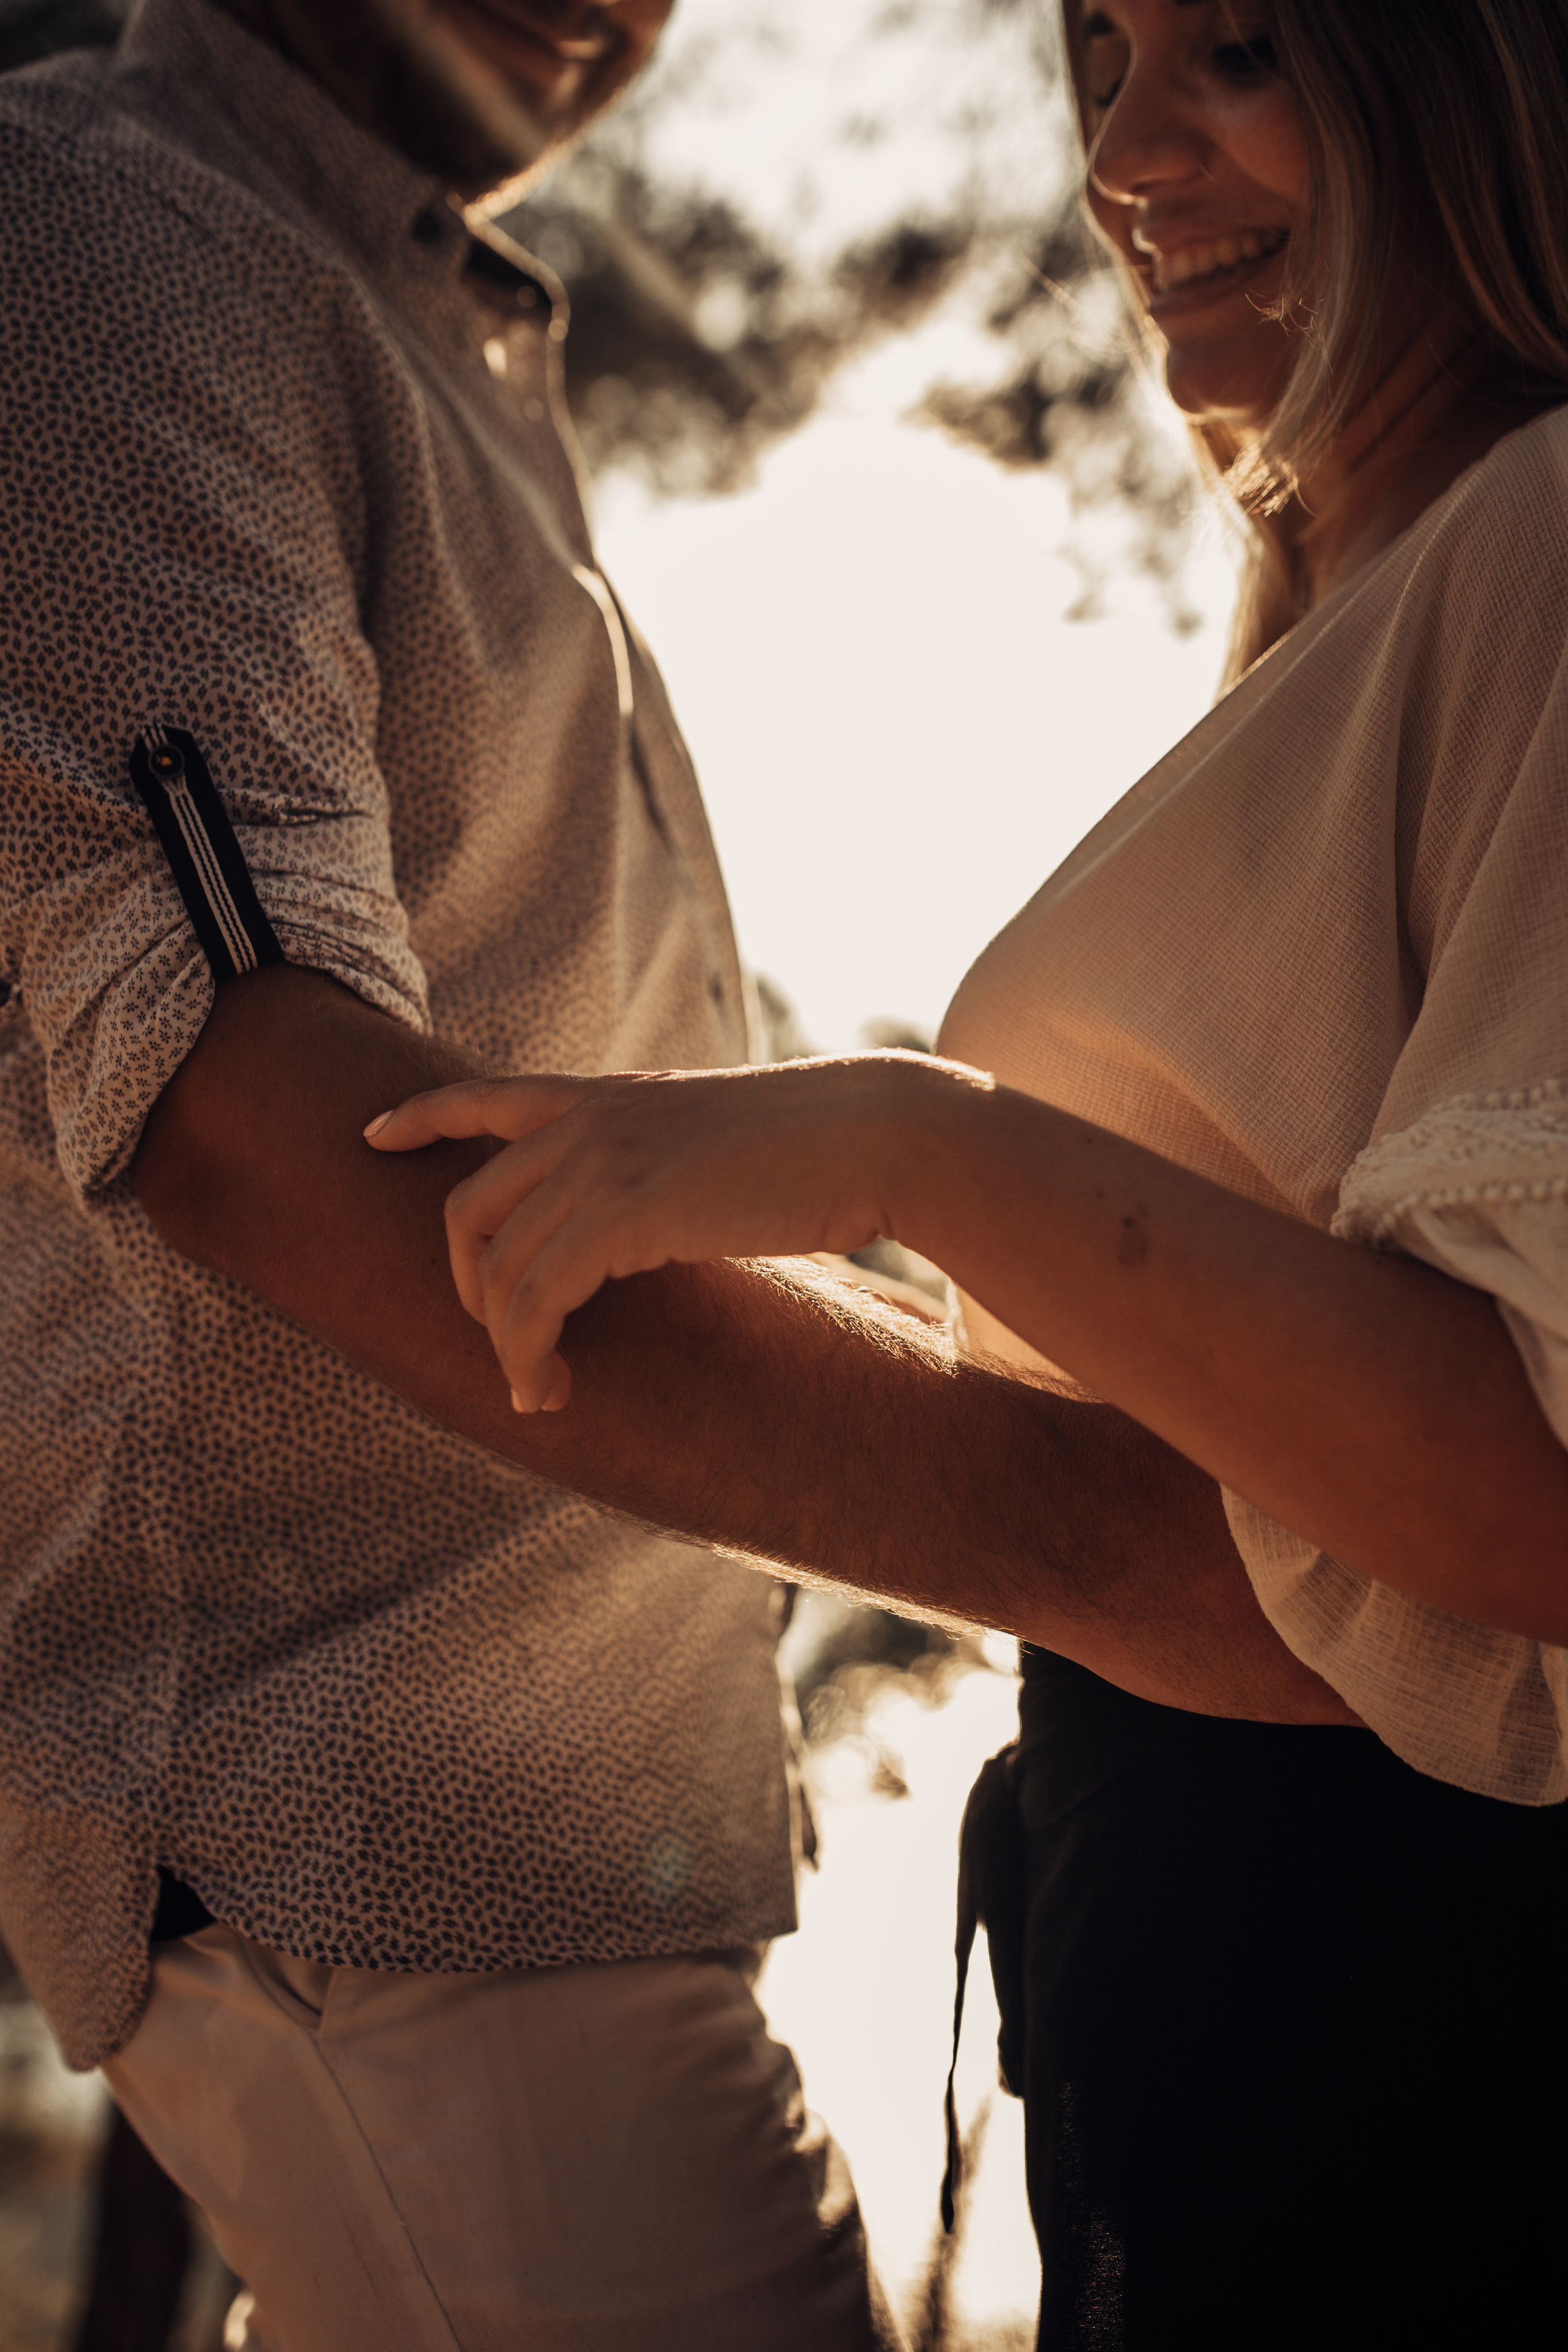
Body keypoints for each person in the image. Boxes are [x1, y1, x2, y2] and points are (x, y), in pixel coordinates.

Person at [366, 1, 1568, 2342]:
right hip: (1247, 2013)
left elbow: (1532, 1499)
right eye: (1098, 60)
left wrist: (903, 1137)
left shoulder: (1539, 532)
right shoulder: (1348, 586)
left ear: (1472, 83)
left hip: (1418, 2042)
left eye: (1232, 49)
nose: (1129, 152)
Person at [0, 2, 907, 2345]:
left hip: (544, 1859)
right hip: (376, 1843)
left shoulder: (408, 309)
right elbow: (261, 1117)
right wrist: (1114, 1546)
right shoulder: (115, 227)